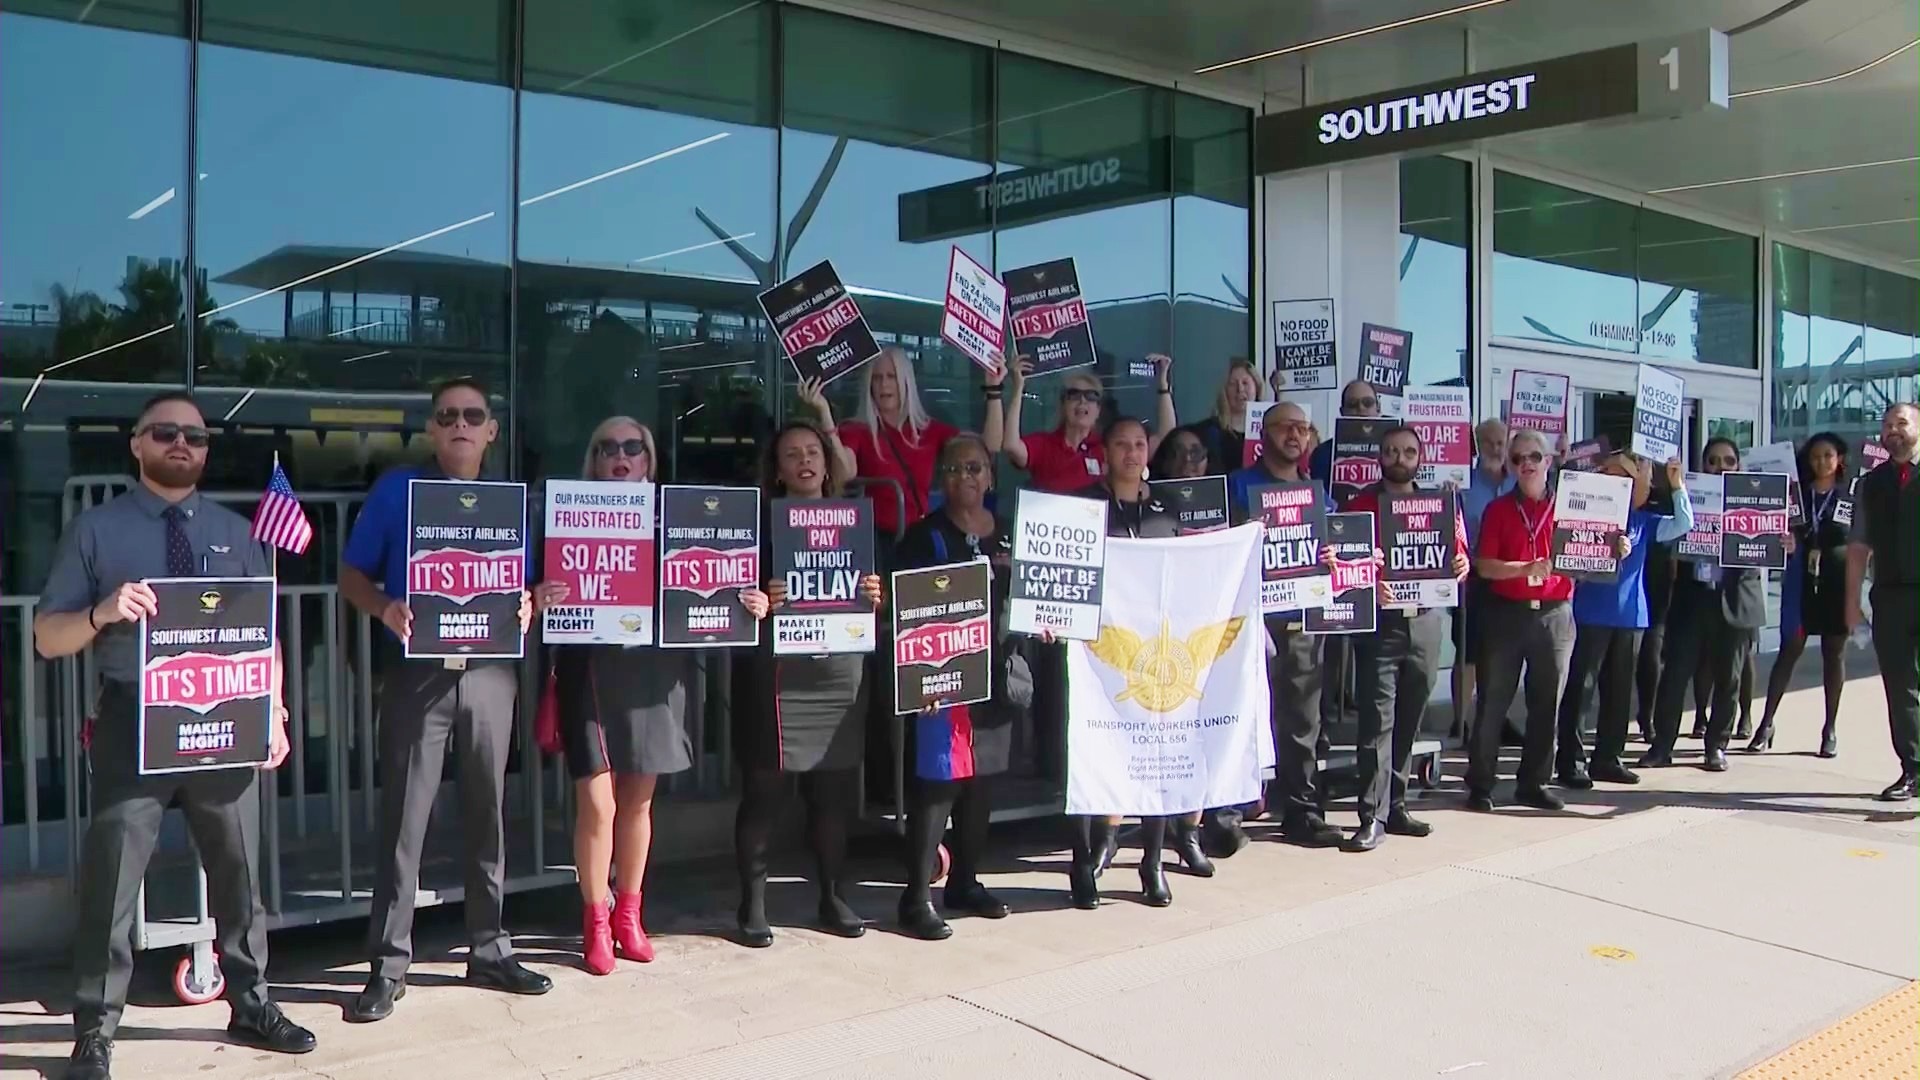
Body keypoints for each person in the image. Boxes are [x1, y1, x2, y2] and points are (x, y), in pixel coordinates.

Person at [36, 392, 314, 1080]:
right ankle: (95, 1033)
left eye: (195, 435)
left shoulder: (237, 531)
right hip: (135, 722)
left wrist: (274, 709)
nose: (182, 443)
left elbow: (264, 635)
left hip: (226, 718)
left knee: (240, 874)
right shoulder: (96, 530)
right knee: (112, 885)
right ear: (137, 444)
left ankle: (252, 1002)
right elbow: (47, 636)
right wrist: (102, 612)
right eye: (166, 432)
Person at [340, 377, 542, 1023]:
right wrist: (384, 608)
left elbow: (528, 582)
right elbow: (351, 575)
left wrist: (533, 602)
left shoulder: (512, 500)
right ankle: (388, 964)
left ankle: (488, 947)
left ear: (491, 431)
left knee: (489, 811)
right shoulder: (399, 489)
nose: (460, 423)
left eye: (473, 415)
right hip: (416, 672)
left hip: (489, 672)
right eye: (447, 415)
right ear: (431, 428)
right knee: (405, 818)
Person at [538, 418, 769, 973]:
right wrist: (539, 593)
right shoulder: (566, 513)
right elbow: (529, 581)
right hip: (588, 667)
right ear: (593, 460)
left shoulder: (678, 514)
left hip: (654, 671)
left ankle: (629, 915)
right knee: (597, 802)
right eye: (607, 448)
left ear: (649, 460)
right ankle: (595, 917)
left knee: (639, 802)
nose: (620, 456)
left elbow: (716, 572)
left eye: (632, 447)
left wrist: (751, 601)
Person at [732, 420, 886, 946]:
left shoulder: (857, 522)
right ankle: (752, 904)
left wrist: (874, 593)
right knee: (765, 793)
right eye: (792, 454)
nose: (805, 460)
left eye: (813, 451)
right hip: (779, 673)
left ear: (828, 461)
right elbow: (730, 590)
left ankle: (832, 895)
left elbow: (875, 600)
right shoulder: (758, 525)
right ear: (777, 469)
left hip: (840, 670)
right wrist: (755, 597)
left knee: (833, 792)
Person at [891, 434, 1017, 939]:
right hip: (941, 684)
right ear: (940, 480)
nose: (964, 478)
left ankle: (965, 881)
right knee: (938, 786)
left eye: (974, 468)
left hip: (1000, 676)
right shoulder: (923, 537)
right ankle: (915, 897)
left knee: (982, 786)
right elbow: (904, 610)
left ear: (990, 477)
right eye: (953, 469)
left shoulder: (1009, 533)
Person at [1068, 417, 1182, 909]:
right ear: (1106, 452)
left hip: (1153, 654)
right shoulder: (1082, 506)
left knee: (1155, 755)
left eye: (1140, 444)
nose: (1133, 453)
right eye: (1122, 445)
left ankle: (1151, 862)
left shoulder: (1166, 509)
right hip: (1095, 653)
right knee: (1091, 752)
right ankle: (1085, 861)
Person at [1338, 426, 1470, 850]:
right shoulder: (1359, 504)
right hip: (1381, 624)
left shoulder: (1441, 504)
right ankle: (1369, 815)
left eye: (1408, 451)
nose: (1400, 457)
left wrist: (1461, 563)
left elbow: (1459, 552)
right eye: (1392, 450)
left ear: (1421, 456)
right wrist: (1368, 583)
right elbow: (1342, 566)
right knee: (1378, 721)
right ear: (1380, 455)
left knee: (1411, 718)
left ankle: (1396, 806)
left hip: (1427, 623)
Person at [1226, 402, 1344, 848]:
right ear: (1265, 433)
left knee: (1302, 723)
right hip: (1251, 620)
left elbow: (1338, 542)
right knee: (1244, 717)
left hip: (1302, 620)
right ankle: (1231, 810)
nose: (1295, 435)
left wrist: (1333, 555)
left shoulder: (1318, 494)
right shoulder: (1239, 485)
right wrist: (1245, 530)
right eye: (1285, 427)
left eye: (1303, 428)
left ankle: (1302, 812)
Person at [1554, 453, 1692, 788]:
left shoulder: (1644, 520)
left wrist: (1677, 485)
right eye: (1617, 478)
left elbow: (1684, 523)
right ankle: (1570, 761)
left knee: (1618, 691)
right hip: (1590, 611)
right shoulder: (1585, 513)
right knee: (1581, 688)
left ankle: (1608, 758)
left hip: (1630, 615)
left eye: (1632, 480)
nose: (1625, 486)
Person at [1639, 438, 1771, 774]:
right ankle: (1661, 746)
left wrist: (1782, 541)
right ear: (1704, 465)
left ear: (1738, 466)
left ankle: (1716, 747)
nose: (1721, 467)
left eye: (1728, 461)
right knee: (1674, 676)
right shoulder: (1686, 497)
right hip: (1691, 598)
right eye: (1713, 460)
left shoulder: (1758, 501)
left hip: (1734, 600)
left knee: (1729, 680)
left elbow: (1774, 543)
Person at [1465, 428, 1575, 811]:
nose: (1526, 464)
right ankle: (1480, 784)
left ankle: (1533, 783)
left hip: (1555, 615)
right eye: (1517, 459)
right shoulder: (1498, 509)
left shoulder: (1569, 508)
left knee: (1547, 704)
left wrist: (1617, 547)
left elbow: (1595, 556)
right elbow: (1485, 566)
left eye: (1533, 457)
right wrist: (1524, 568)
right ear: (1510, 465)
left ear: (1549, 461)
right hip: (1506, 615)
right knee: (1493, 701)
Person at [1146, 424, 1224, 875]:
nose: (1189, 463)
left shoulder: (1222, 503)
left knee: (1197, 739)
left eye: (1197, 454)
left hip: (1203, 631)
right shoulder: (1151, 507)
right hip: (1152, 635)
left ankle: (1189, 834)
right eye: (1179, 454)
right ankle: (1121, 837)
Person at [1751, 433, 1850, 756]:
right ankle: (1766, 723)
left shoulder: (1850, 497)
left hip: (1836, 582)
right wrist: (1789, 542)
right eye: (1814, 457)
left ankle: (1831, 728)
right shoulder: (1795, 495)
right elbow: (1780, 531)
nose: (1821, 462)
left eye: (1827, 455)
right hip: (1800, 582)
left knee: (1833, 654)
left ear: (1839, 459)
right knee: (1789, 648)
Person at [1845, 402, 1920, 801]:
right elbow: (1859, 546)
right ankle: (1912, 768)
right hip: (1890, 595)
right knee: (1900, 684)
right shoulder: (1871, 484)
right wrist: (1852, 601)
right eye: (1887, 424)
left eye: (1902, 423)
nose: (1893, 430)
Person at [992, 355, 1177, 493]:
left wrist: (1162, 386)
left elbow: (1166, 440)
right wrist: (1018, 388)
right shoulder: (1044, 444)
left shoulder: (1106, 447)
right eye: (1074, 395)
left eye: (1091, 397)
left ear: (1098, 410)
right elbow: (1010, 444)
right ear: (1063, 405)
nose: (1082, 402)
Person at [835, 346, 960, 541]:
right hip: (876, 539)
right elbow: (843, 474)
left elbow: (986, 448)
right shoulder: (855, 430)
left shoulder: (929, 430)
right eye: (877, 378)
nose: (884, 384)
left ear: (905, 381)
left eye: (891, 376)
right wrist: (826, 418)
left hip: (920, 537)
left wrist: (994, 391)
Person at [1456, 419, 1515, 741]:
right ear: (1477, 444)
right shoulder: (1463, 483)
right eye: (1489, 442)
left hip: (1510, 577)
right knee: (1468, 653)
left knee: (1502, 656)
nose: (1496, 448)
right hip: (1474, 578)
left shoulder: (1516, 482)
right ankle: (1461, 722)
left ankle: (1495, 722)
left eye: (1501, 442)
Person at [1186, 358, 1259, 471]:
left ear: (1257, 387)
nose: (1240, 389)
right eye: (1232, 384)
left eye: (1245, 383)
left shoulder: (1269, 429)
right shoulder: (1209, 431)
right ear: (1224, 391)